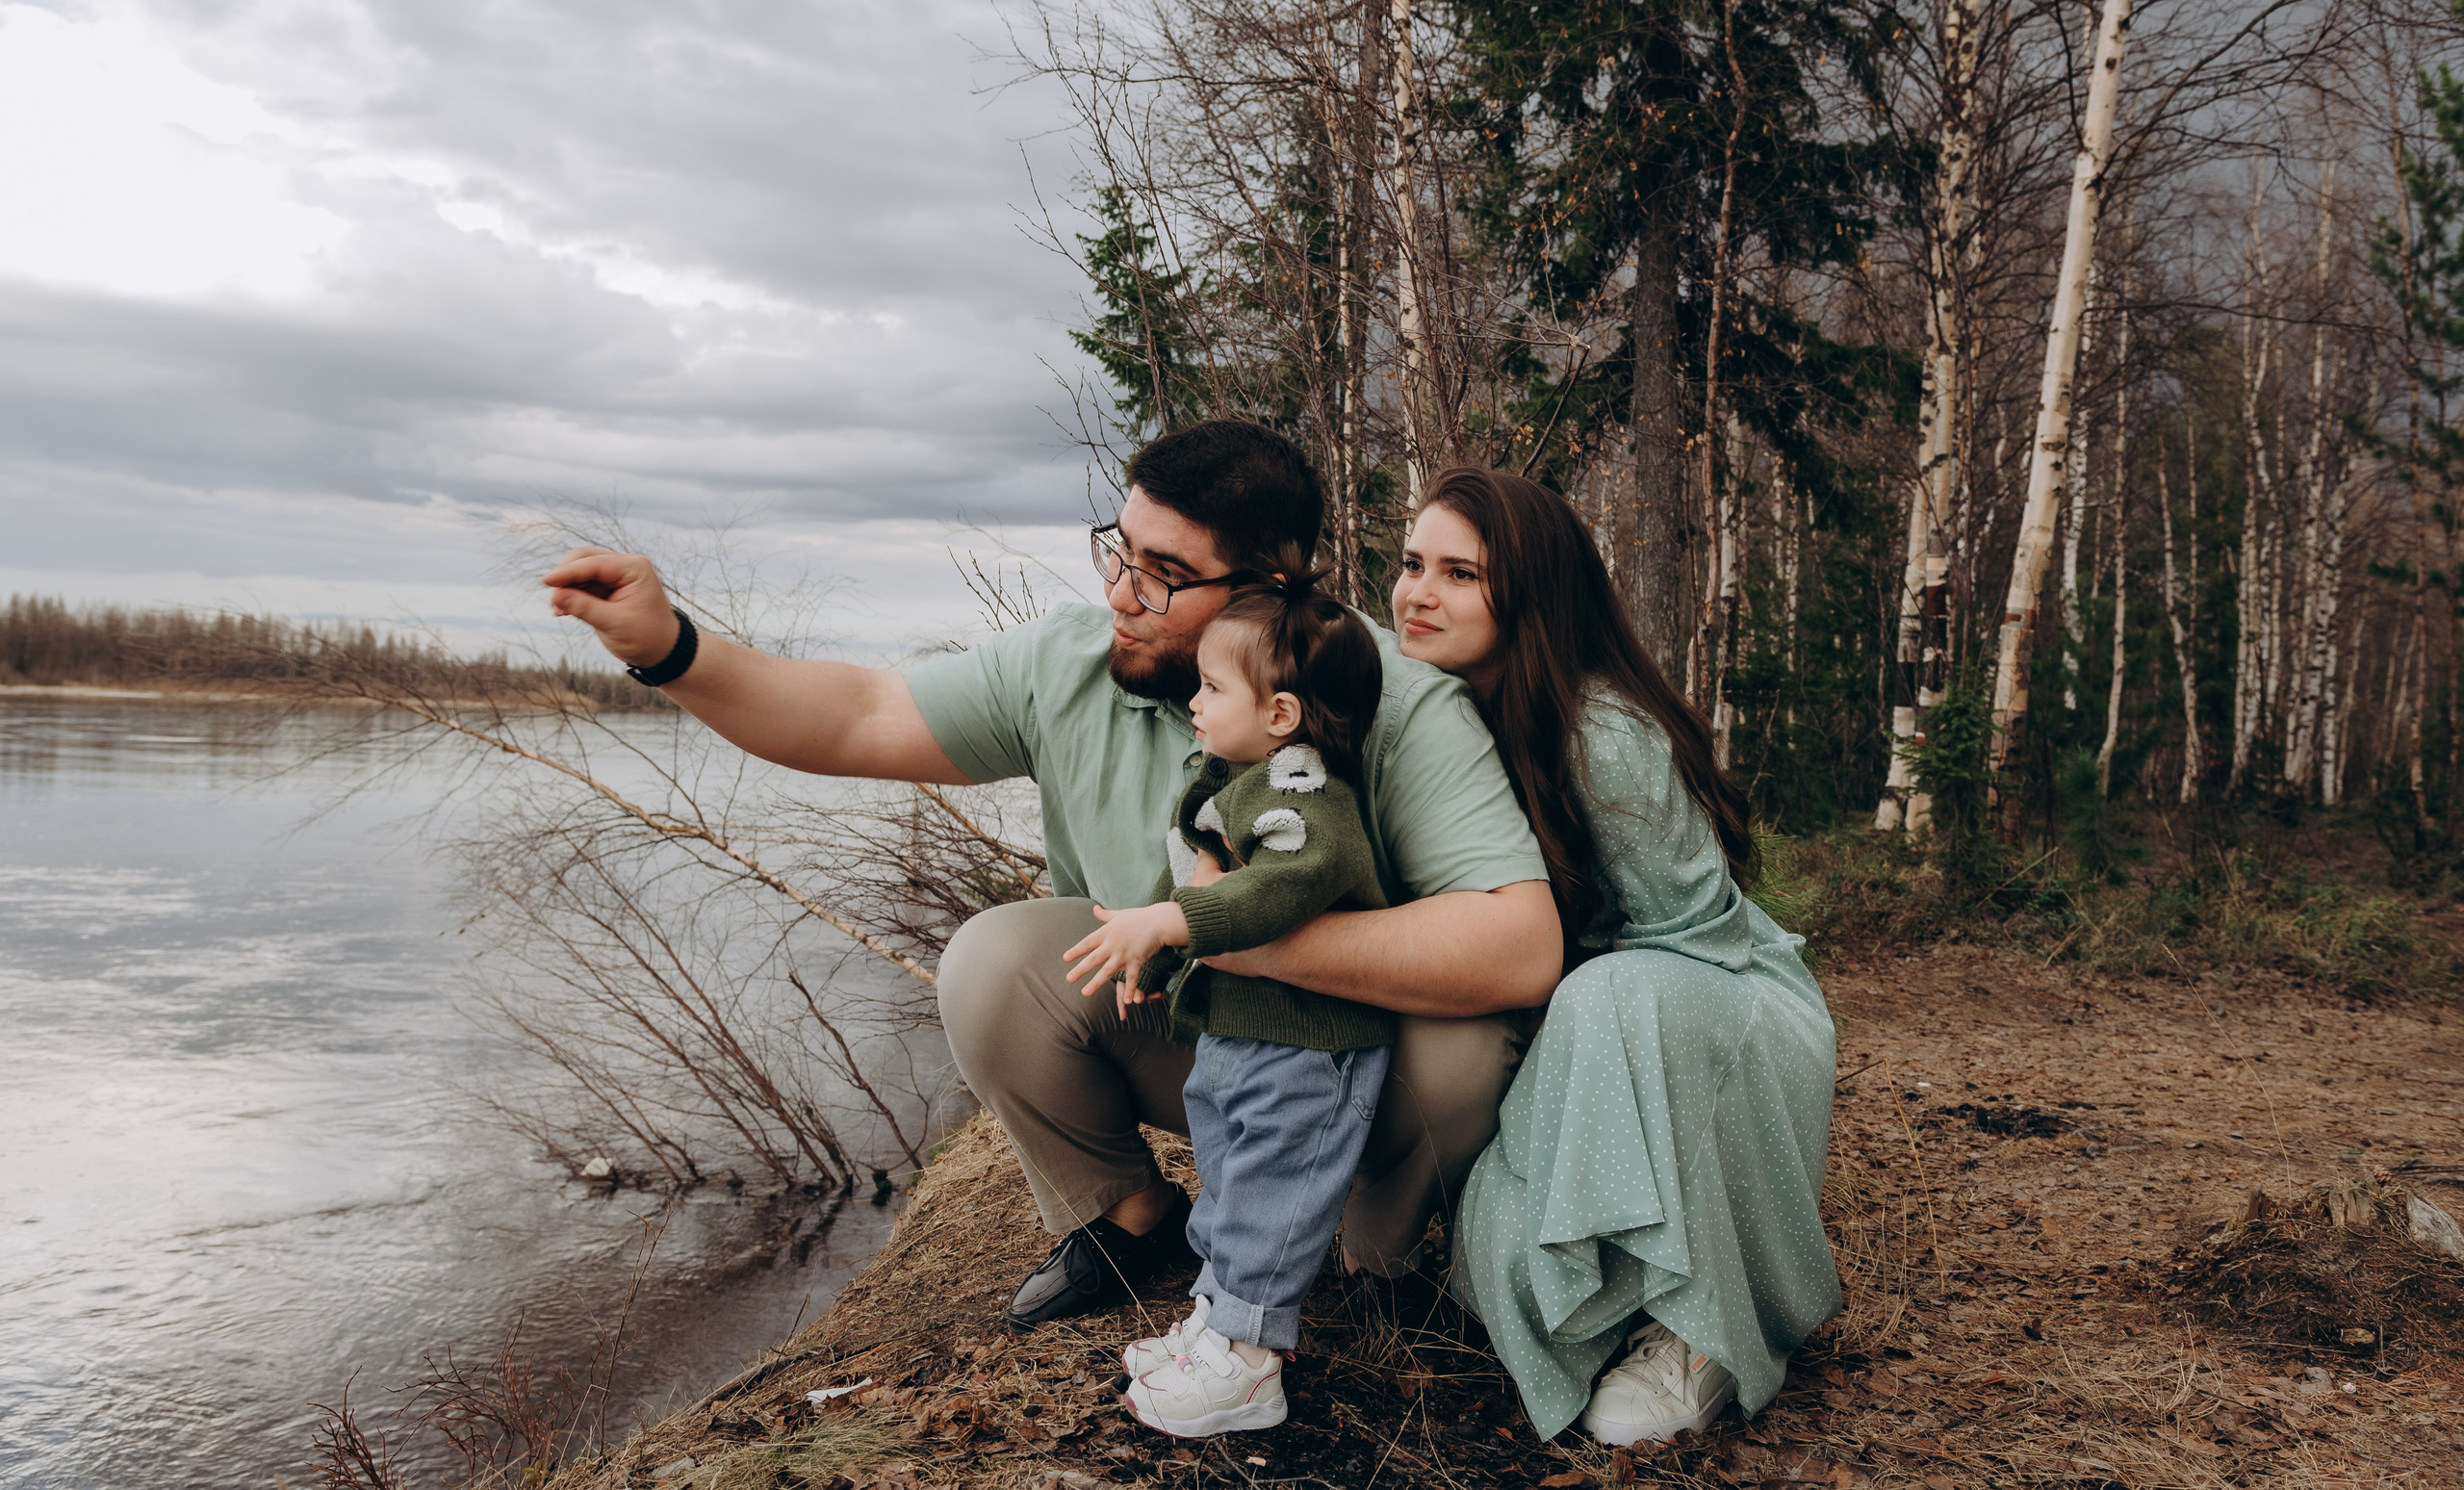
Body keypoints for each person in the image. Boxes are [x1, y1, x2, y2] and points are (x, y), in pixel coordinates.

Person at [541, 422, 1560, 1330]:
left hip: (1351, 1054)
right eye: (1120, 551)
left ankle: (1376, 1243)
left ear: (1268, 589)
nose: (1120, 593)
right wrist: (671, 650)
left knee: (1470, 1047)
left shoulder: (1388, 698)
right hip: (1202, 1032)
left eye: (1164, 573)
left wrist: (1226, 932)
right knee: (993, 961)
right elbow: (857, 714)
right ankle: (1131, 1214)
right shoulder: (1068, 664)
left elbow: (1519, 947)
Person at [1389, 467, 1841, 1446]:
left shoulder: (1602, 737)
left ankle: (1698, 1326)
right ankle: (1598, 1304)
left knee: (1609, 995)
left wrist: (1548, 1010)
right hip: (1582, 1019)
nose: (1417, 593)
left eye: (1459, 574)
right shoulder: (1429, 718)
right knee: (1497, 1223)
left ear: (1532, 596)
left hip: (1713, 1004)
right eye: (1412, 563)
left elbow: (1692, 941)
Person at [1063, 567, 1391, 1436]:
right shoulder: (1233, 780)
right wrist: (1158, 954)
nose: (1195, 702)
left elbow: (1274, 892)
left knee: (1269, 1195)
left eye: (1212, 688)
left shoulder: (1306, 797)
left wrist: (1169, 924)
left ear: (1281, 714)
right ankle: (1214, 1321)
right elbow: (1196, 876)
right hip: (1241, 1038)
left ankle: (1248, 1362)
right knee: (1228, 1182)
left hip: (1306, 1048)